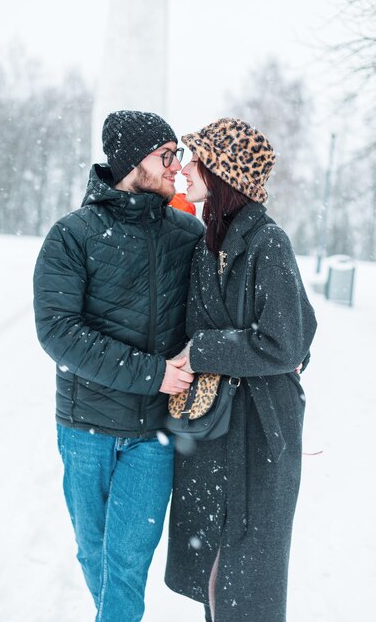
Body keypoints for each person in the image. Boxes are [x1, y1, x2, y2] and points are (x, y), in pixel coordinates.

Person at [33, 109, 204, 622]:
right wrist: (153, 372)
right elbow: (58, 331)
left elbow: (222, 305)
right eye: (165, 155)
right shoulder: (73, 235)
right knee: (93, 555)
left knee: (125, 564)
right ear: (132, 161)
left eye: (176, 155)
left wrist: (279, 346)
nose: (176, 166)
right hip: (85, 430)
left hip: (153, 434)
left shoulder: (187, 236)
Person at [164, 118, 317, 622]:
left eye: (194, 158)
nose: (184, 167)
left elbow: (288, 337)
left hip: (259, 433)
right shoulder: (211, 239)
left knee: (247, 579)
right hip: (216, 427)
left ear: (221, 172)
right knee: (215, 566)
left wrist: (208, 350)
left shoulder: (268, 242)